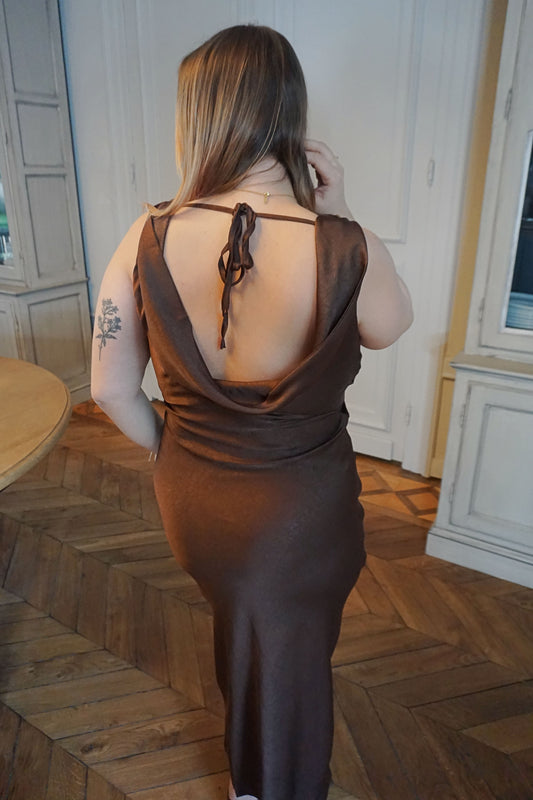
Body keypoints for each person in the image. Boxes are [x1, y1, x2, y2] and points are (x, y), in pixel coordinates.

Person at [91, 24, 413, 800]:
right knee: (291, 652)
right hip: (305, 509)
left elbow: (107, 389)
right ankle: (270, 785)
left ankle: (257, 772)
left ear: (198, 117)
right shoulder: (344, 243)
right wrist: (342, 214)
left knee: (250, 635)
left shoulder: (146, 234)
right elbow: (389, 326)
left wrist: (179, 451)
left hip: (197, 499)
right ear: (288, 113)